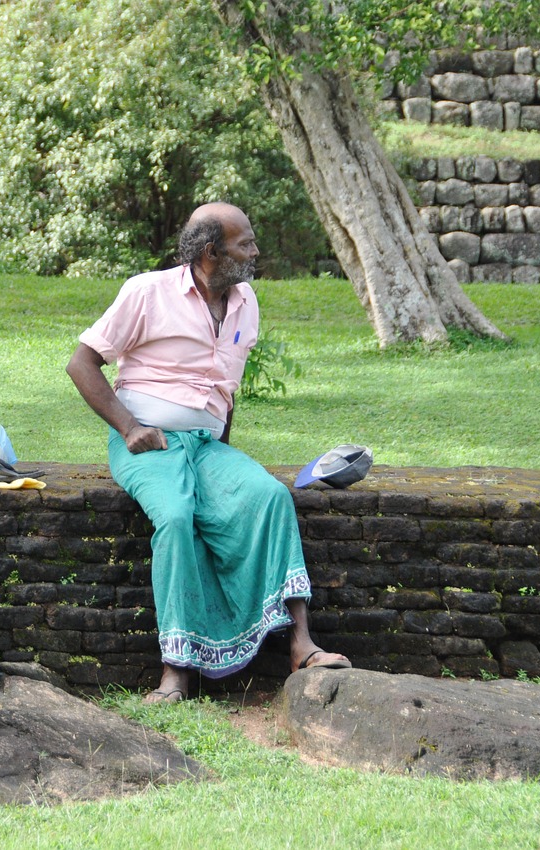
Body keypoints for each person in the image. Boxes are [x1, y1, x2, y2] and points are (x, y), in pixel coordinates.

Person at [66, 202, 350, 703]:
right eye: (245, 244)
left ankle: (301, 645)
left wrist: (221, 456)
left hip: (208, 447)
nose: (256, 252)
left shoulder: (246, 302)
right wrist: (129, 427)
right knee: (175, 517)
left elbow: (227, 391)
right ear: (208, 251)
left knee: (268, 496)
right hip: (147, 441)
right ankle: (175, 673)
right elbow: (82, 363)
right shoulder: (147, 292)